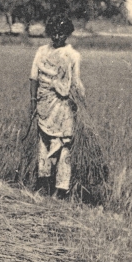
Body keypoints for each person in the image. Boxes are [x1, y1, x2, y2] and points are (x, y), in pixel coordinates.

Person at [29, 14, 84, 198]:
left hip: (63, 106)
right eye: (53, 33)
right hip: (44, 104)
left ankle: (60, 190)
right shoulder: (41, 52)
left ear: (67, 34)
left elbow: (75, 83)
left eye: (61, 33)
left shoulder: (72, 55)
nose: (56, 37)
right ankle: (43, 184)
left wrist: (78, 103)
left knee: (64, 144)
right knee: (43, 144)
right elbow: (34, 77)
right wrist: (33, 102)